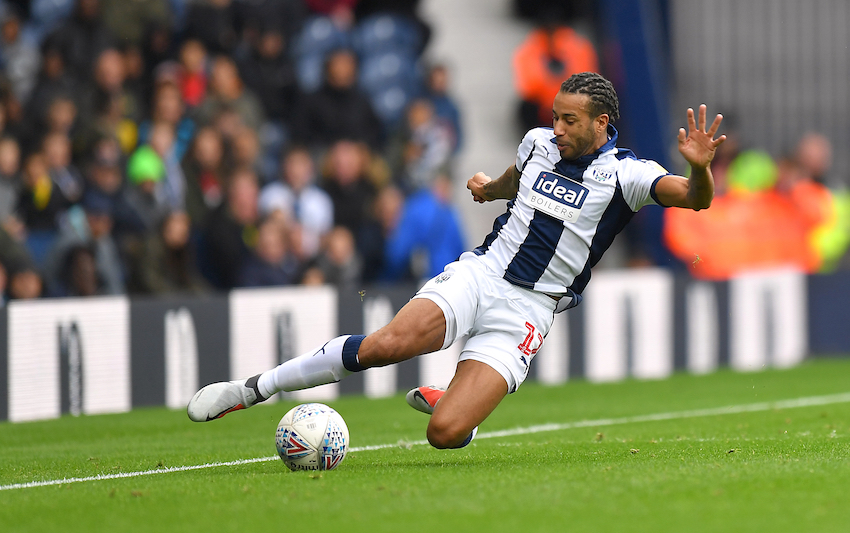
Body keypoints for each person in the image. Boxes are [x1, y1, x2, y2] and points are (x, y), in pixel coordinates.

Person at [187, 72, 725, 450]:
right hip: (482, 273)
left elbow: (694, 198)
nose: (556, 128)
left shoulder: (628, 175)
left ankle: (457, 406)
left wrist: (700, 169)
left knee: (443, 434)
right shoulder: (538, 142)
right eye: (554, 117)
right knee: (387, 345)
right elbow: (518, 178)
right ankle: (254, 388)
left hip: (529, 311)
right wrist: (491, 189)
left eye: (569, 120)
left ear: (601, 123)